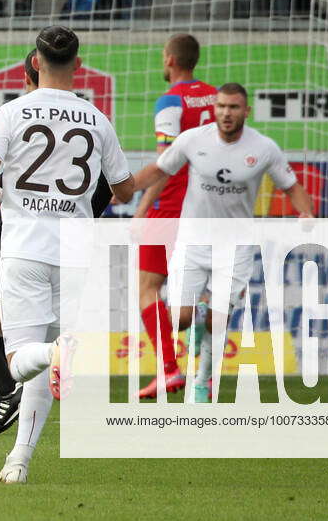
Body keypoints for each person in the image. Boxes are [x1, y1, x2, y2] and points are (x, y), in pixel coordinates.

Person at [0, 26, 135, 484]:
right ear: (77, 66)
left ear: (36, 62)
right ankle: (18, 462)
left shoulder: (10, 113)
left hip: (25, 249)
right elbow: (124, 189)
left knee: (24, 357)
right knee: (42, 369)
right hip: (77, 254)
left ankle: (57, 351)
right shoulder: (96, 119)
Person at [0, 49, 113, 437]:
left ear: (33, 70)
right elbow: (113, 186)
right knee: (1, 320)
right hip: (65, 239)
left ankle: (8, 388)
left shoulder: (15, 114)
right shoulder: (89, 122)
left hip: (21, 233)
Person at [131, 82, 314, 402]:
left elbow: (291, 185)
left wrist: (306, 213)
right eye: (221, 107)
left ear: (246, 111)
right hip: (192, 240)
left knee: (219, 317)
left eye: (233, 108)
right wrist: (128, 191)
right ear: (214, 109)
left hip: (236, 245)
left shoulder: (264, 147)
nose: (226, 113)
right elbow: (159, 170)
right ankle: (197, 322)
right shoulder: (192, 140)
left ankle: (203, 379)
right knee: (180, 318)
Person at [134, 33, 218, 400]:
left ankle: (169, 370)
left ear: (169, 59)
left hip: (171, 207)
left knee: (148, 288)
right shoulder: (219, 97)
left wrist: (140, 208)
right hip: (212, 205)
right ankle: (205, 373)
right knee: (200, 295)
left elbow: (166, 163)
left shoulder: (170, 101)